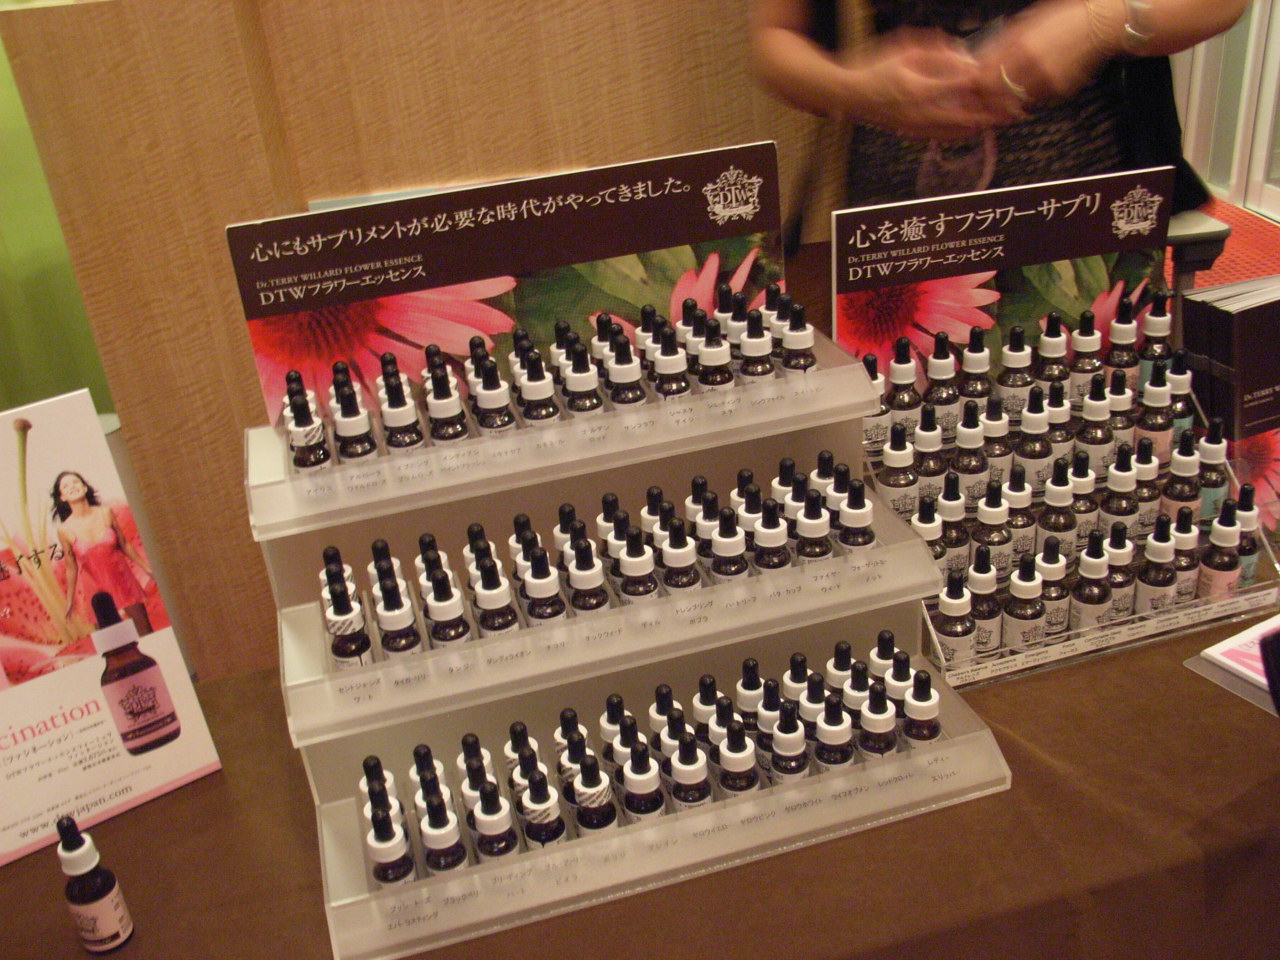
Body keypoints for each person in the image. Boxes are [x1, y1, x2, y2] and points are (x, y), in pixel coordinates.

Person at [750, 0, 1248, 211]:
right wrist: (856, 87)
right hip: (898, 193)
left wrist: (1100, 21)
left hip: (1092, 186)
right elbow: (774, 39)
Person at [52, 470, 154, 635]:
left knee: (146, 631)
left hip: (123, 581)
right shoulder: (64, 530)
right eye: (65, 486)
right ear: (62, 497)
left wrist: (147, 568)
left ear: (85, 488)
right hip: (97, 591)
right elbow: (71, 568)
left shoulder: (105, 512)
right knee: (117, 642)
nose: (72, 486)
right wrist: (69, 601)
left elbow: (124, 544)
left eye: (75, 482)